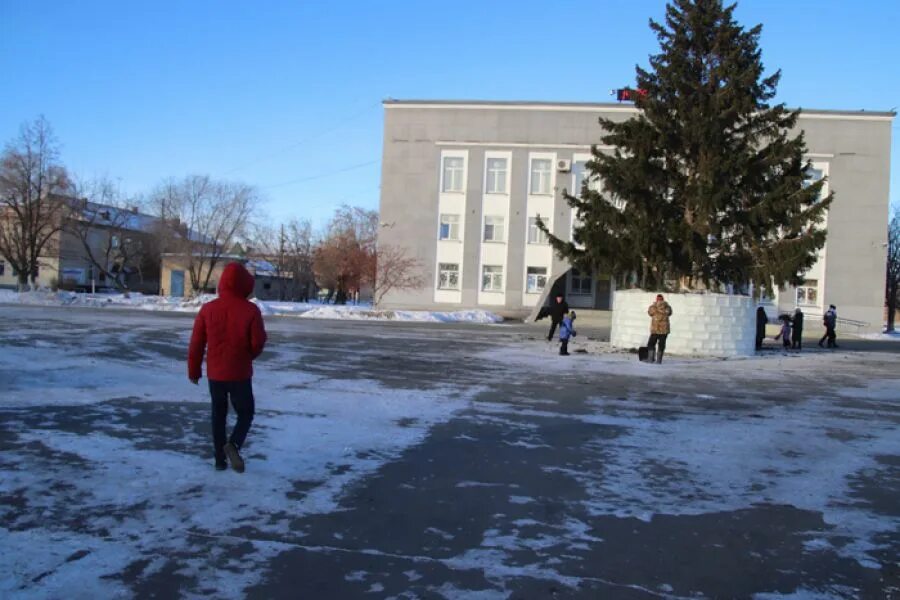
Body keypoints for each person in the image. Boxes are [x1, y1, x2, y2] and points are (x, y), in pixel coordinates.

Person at [188, 262, 268, 473]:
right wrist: (248, 356)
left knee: (218, 414)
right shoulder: (251, 310)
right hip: (240, 372)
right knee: (246, 412)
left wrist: (194, 370)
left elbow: (197, 342)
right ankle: (233, 445)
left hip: (215, 373)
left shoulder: (207, 309)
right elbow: (258, 342)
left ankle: (219, 460)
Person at [647, 294, 673, 364]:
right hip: (664, 330)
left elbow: (650, 312)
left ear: (657, 299)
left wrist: (656, 306)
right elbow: (670, 313)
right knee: (661, 345)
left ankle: (650, 359)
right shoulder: (667, 307)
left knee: (651, 344)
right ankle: (659, 361)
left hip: (655, 329)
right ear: (663, 299)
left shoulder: (653, 307)